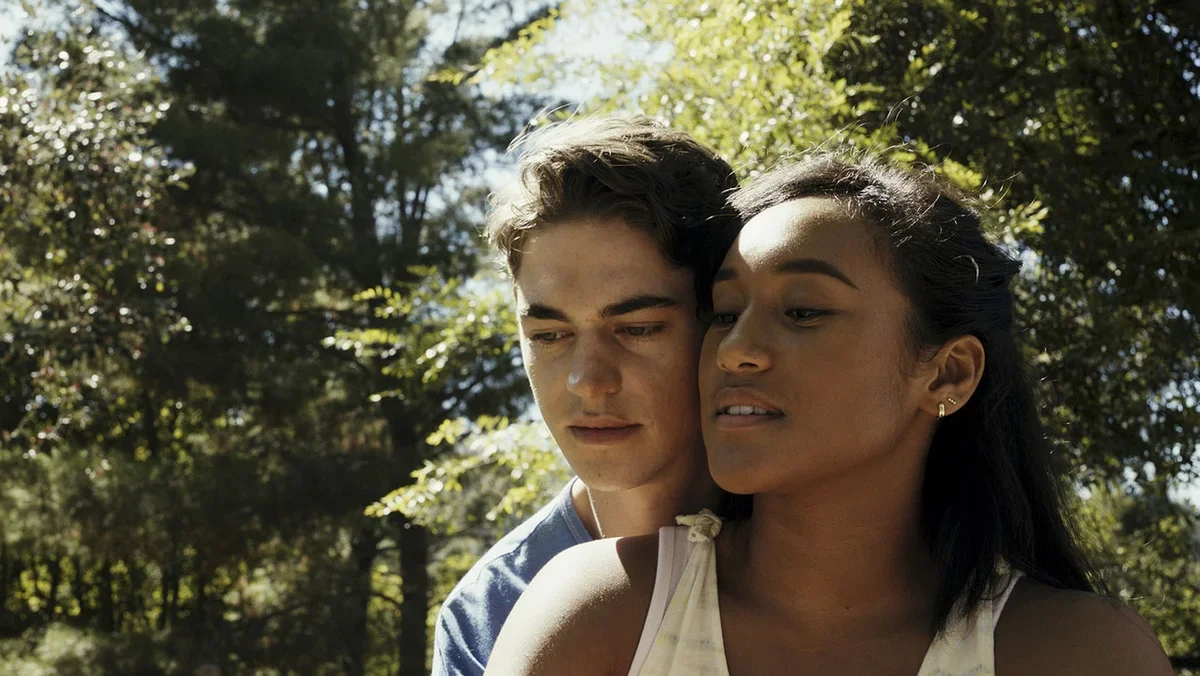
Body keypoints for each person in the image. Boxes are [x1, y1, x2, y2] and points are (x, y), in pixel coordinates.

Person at [485, 152, 1176, 675]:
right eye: (725, 313)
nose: (736, 350)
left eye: (803, 312)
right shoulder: (598, 612)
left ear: (949, 372)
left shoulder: (1081, 652)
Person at [430, 115, 740, 675]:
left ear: (721, 323)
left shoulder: (827, 547)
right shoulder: (488, 614)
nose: (588, 380)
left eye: (638, 328)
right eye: (549, 336)